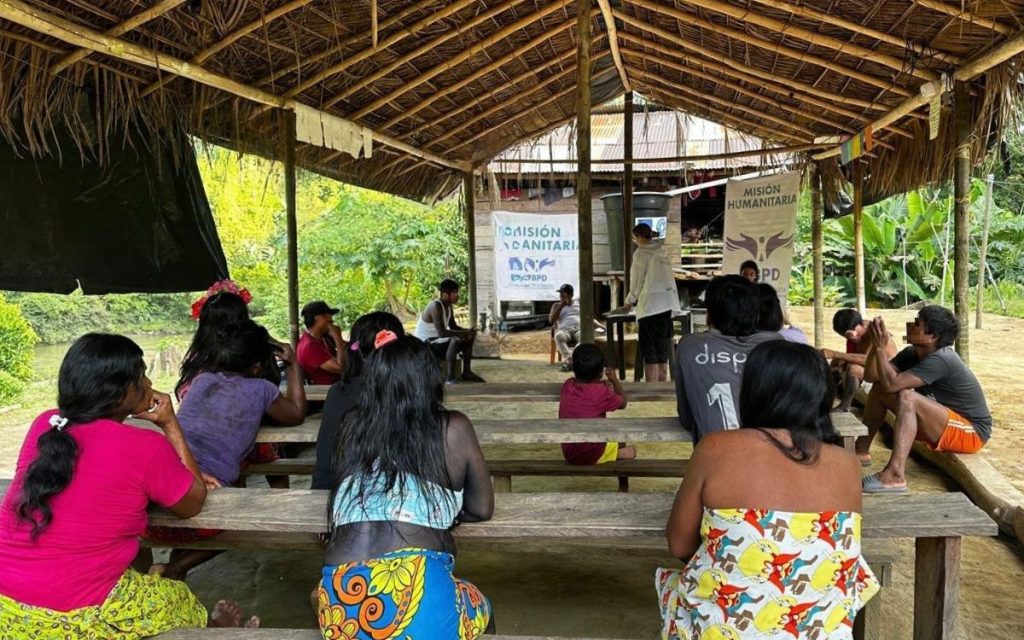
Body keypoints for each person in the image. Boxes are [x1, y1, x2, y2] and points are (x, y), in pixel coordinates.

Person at [0, 333, 258, 636]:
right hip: (74, 612)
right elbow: (193, 503)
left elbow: (92, 482)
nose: (149, 384)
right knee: (177, 598)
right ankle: (219, 629)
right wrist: (170, 424)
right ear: (122, 393)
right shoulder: (145, 446)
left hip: (7, 602)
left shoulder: (46, 424)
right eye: (142, 375)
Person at [657, 340, 878, 639]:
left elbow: (680, 546)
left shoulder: (716, 448)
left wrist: (743, 569)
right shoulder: (848, 466)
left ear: (752, 391)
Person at [318, 333, 494, 637]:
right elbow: (481, 508)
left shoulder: (353, 428)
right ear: (429, 377)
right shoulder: (453, 427)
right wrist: (444, 509)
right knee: (483, 610)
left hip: (338, 596)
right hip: (416, 590)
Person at [146, 320, 307, 579]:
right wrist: (293, 364)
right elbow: (297, 413)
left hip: (151, 518)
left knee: (196, 508)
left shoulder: (202, 379)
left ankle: (173, 567)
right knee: (252, 525)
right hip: (196, 511)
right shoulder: (262, 389)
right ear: (257, 366)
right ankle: (177, 568)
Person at [859, 307, 992, 493]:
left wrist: (882, 348)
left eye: (917, 324)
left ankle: (895, 474)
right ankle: (860, 452)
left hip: (971, 432)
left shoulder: (943, 359)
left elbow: (893, 384)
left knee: (908, 398)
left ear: (933, 337)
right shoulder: (912, 353)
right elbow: (872, 376)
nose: (910, 326)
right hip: (942, 422)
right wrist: (875, 345)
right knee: (880, 388)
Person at [177, 289, 289, 488]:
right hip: (236, 436)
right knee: (274, 465)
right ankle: (283, 506)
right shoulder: (244, 354)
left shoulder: (196, 357)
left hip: (197, 446)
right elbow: (271, 386)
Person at [674, 275, 781, 442]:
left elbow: (687, 419)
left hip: (715, 459)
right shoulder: (776, 344)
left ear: (709, 314)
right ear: (755, 313)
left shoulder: (689, 347)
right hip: (770, 457)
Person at [312, 311, 405, 491]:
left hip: (333, 490)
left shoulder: (338, 391)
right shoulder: (402, 390)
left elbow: (326, 459)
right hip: (387, 497)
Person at [558, 343, 635, 465]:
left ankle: (614, 454)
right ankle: (623, 481)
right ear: (600, 373)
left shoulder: (568, 385)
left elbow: (586, 390)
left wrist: (600, 384)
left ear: (573, 368)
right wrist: (614, 380)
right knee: (627, 447)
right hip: (592, 453)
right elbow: (623, 402)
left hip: (569, 452)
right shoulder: (601, 392)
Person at [623, 223, 681, 383]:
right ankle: (662, 385)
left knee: (650, 351)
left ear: (640, 237)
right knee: (662, 348)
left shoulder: (641, 253)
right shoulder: (662, 251)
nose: (635, 241)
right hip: (667, 304)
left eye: (635, 238)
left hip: (651, 305)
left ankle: (651, 387)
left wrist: (630, 301)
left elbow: (636, 280)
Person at [822, 308, 896, 412]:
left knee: (853, 369)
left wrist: (834, 354)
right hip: (870, 371)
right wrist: (839, 365)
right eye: (847, 336)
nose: (854, 337)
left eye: (851, 334)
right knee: (836, 363)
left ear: (860, 324)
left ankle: (845, 406)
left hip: (885, 373)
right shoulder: (854, 337)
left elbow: (866, 360)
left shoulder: (874, 332)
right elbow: (851, 356)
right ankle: (823, 400)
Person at [414, 278, 485, 384]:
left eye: (456, 292)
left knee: (469, 337)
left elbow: (453, 326)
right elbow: (442, 333)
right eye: (454, 292)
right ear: (445, 294)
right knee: (455, 340)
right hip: (426, 344)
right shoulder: (436, 306)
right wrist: (464, 333)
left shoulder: (448, 306)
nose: (457, 295)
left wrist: (469, 331)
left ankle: (466, 372)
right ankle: (449, 377)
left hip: (438, 341)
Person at [297, 300, 347, 385]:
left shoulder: (323, 337)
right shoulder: (309, 346)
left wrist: (341, 341)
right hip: (327, 390)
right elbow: (341, 368)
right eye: (327, 315)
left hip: (339, 383)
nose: (330, 319)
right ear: (317, 318)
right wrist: (337, 337)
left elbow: (350, 347)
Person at [550, 283, 581, 371]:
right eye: (561, 294)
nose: (562, 296)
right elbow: (551, 321)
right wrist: (562, 305)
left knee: (585, 337)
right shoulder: (556, 305)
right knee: (558, 336)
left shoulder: (578, 304)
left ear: (571, 295)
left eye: (565, 294)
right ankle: (570, 360)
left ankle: (571, 360)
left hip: (578, 328)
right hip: (565, 330)